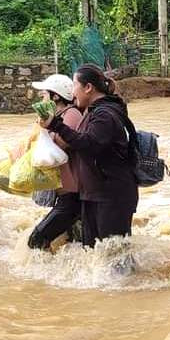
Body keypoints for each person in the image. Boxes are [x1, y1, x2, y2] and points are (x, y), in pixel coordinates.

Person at [38, 64, 138, 247]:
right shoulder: (94, 112)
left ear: (88, 87)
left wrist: (55, 125)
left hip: (111, 196)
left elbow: (88, 144)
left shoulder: (105, 115)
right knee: (95, 255)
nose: (73, 93)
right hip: (95, 193)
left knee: (115, 259)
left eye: (75, 86)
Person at [26, 74, 84, 250]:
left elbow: (62, 143)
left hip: (72, 193)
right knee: (73, 243)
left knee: (36, 240)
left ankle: (41, 274)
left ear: (56, 96)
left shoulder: (71, 113)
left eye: (44, 94)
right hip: (64, 191)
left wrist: (46, 130)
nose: (42, 97)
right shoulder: (56, 116)